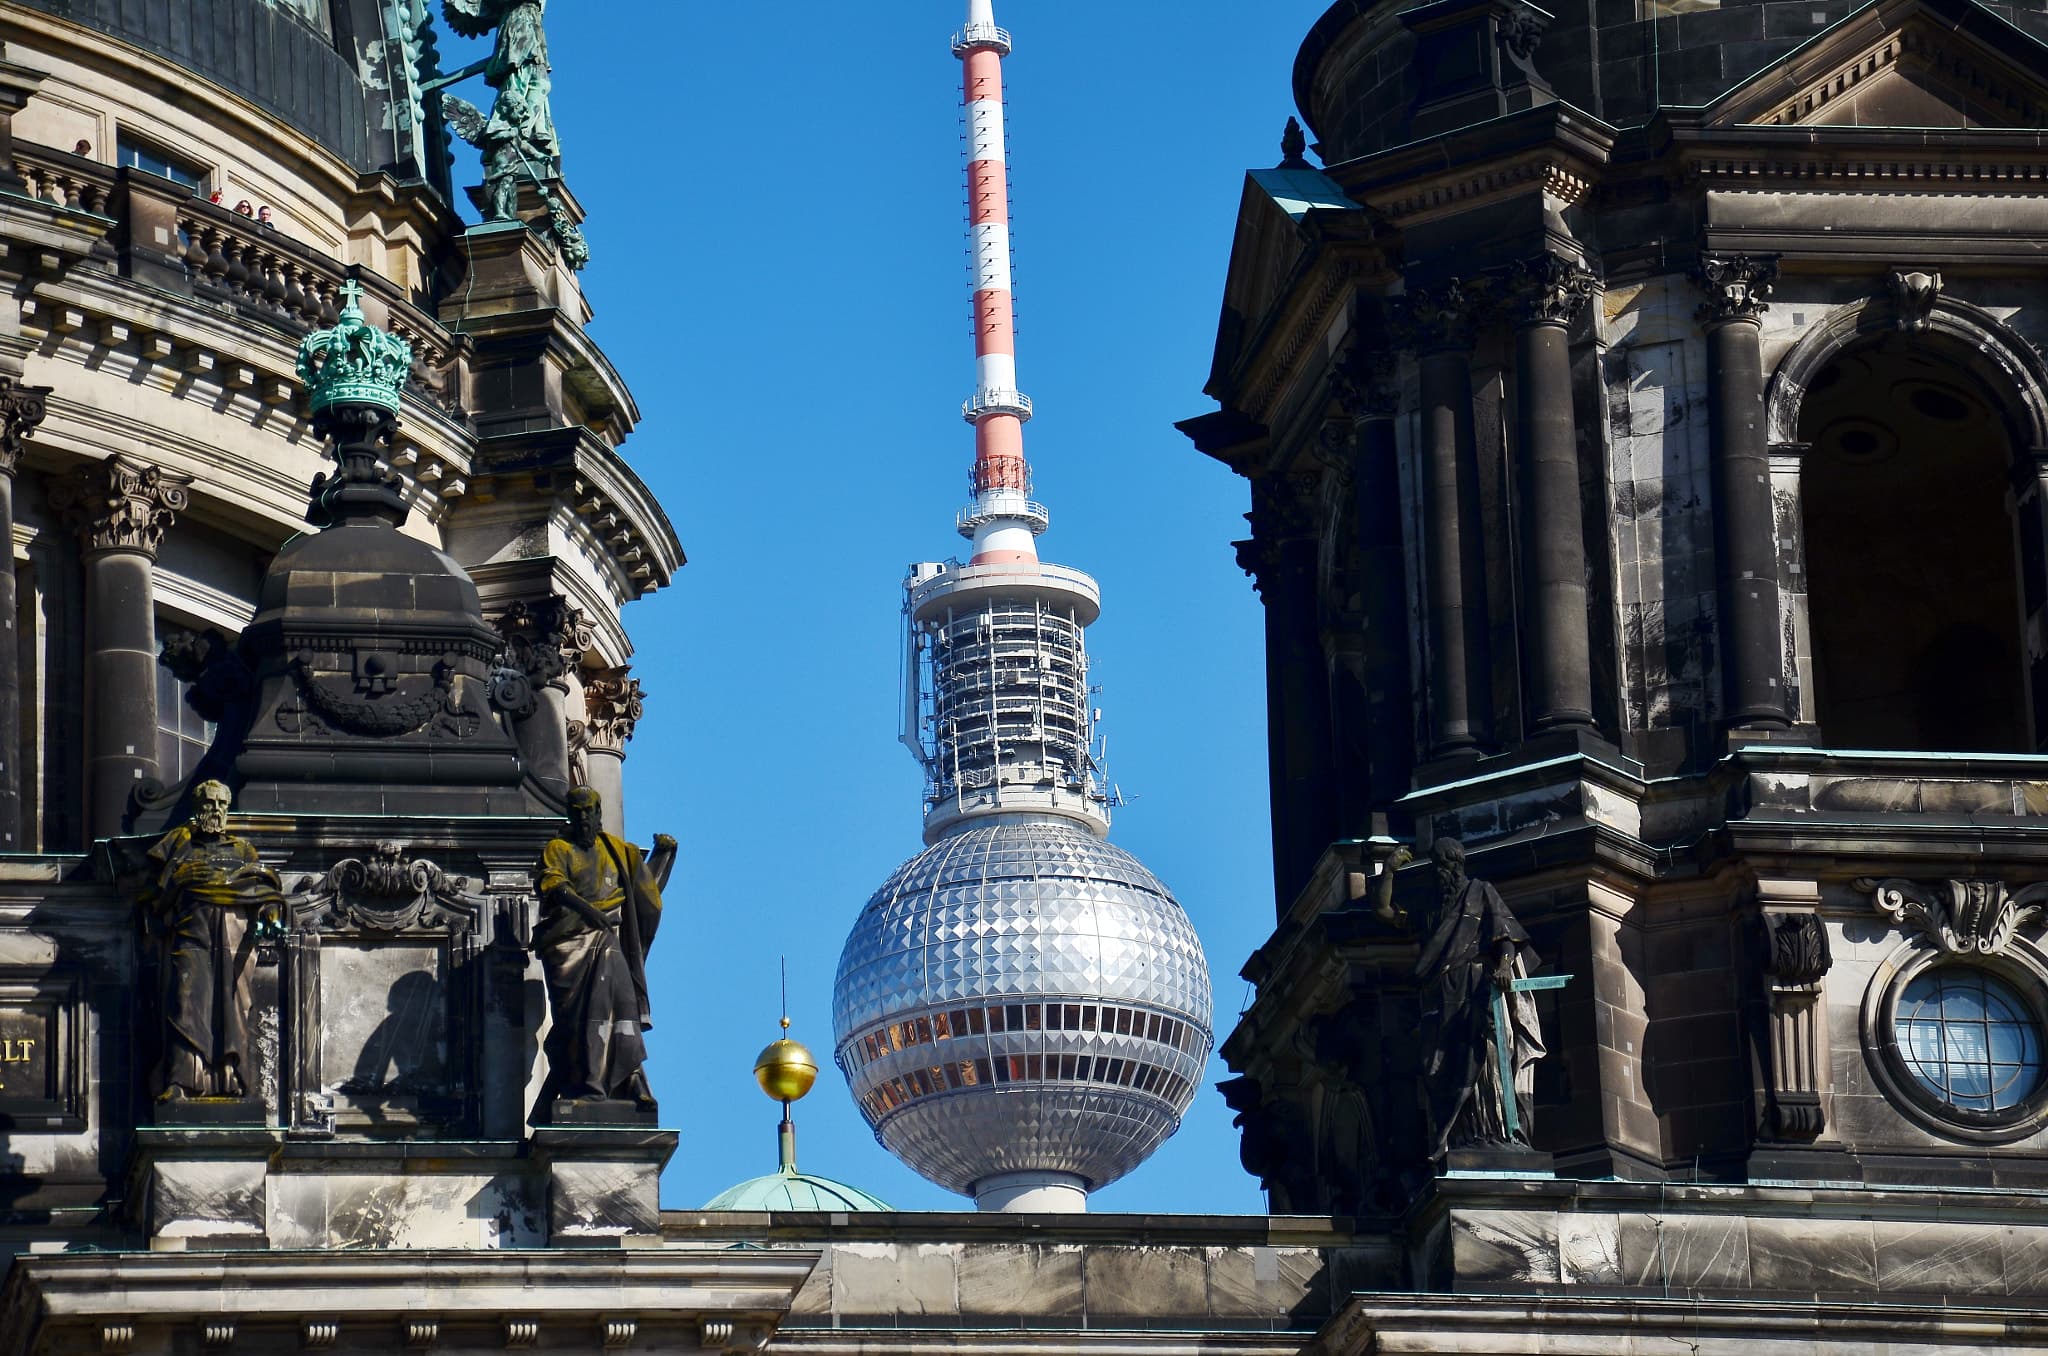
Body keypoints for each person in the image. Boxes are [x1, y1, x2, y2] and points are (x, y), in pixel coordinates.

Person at [1375, 838, 1546, 1155]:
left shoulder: (1479, 892)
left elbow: (1506, 936)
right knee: (1439, 1068)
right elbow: (1385, 912)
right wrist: (1388, 872)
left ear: (1457, 865)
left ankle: (1490, 1133)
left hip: (1474, 989)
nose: (1442, 872)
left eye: (1446, 864)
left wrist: (1505, 967)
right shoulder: (1430, 910)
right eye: (1438, 865)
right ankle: (1459, 1137)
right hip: (1438, 999)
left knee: (1482, 1060)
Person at [139, 780, 286, 1101]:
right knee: (185, 1003)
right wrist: (179, 881)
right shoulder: (178, 844)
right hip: (191, 932)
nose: (216, 810)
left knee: (232, 1008)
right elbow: (152, 893)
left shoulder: (242, 850)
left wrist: (270, 914)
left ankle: (230, 1079)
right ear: (197, 807)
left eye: (222, 804)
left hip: (233, 936)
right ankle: (180, 1082)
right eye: (209, 803)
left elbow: (262, 888)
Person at [533, 788, 676, 1106]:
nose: (583, 818)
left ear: (599, 813)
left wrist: (663, 856)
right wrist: (588, 911)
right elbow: (553, 885)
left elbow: (643, 898)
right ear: (569, 814)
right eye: (577, 811)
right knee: (581, 1017)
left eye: (589, 811)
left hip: (606, 941)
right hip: (569, 944)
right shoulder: (559, 848)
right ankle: (589, 1082)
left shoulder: (616, 851)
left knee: (623, 1004)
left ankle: (629, 1078)